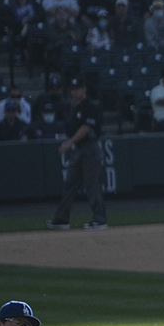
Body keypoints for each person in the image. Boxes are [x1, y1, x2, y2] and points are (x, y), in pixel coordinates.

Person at [47, 78, 107, 230]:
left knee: (91, 185)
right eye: (73, 89)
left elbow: (87, 128)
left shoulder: (90, 106)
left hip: (90, 149)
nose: (75, 91)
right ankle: (61, 219)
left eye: (78, 88)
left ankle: (100, 220)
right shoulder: (74, 107)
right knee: (69, 184)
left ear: (84, 89)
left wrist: (69, 142)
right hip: (79, 149)